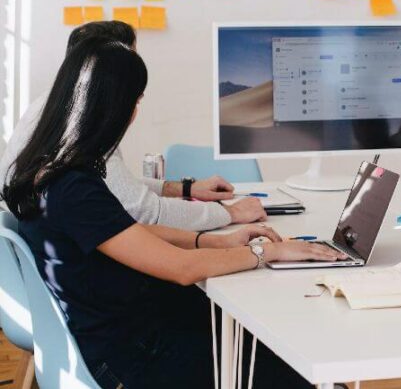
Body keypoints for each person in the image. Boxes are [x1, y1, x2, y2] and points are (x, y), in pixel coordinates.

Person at [2, 37, 347, 388]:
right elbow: (181, 269)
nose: (135, 112)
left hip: (130, 333)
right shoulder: (72, 187)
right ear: (113, 106)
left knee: (264, 336)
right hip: (132, 357)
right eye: (135, 101)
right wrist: (266, 252)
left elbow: (126, 231)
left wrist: (218, 242)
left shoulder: (48, 170)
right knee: (302, 369)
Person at [0, 21, 265, 232]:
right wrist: (230, 214)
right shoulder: (80, 128)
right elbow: (145, 212)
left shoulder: (52, 109)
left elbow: (113, 187)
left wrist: (184, 189)